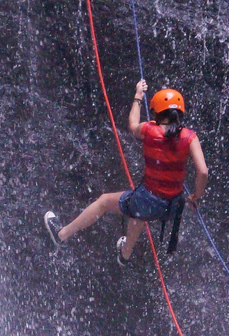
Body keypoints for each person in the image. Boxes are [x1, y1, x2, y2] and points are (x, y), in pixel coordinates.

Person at [44, 79, 209, 266]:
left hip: (148, 201)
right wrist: (196, 196)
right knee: (137, 209)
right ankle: (125, 254)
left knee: (106, 202)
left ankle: (62, 234)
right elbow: (203, 172)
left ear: (157, 112)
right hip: (172, 207)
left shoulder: (149, 130)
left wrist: (138, 96)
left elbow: (132, 124)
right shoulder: (189, 137)